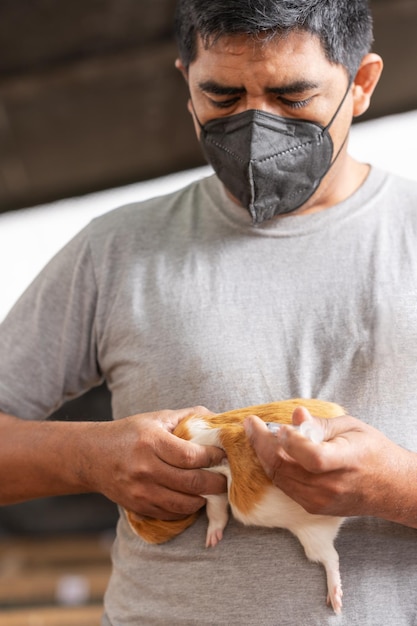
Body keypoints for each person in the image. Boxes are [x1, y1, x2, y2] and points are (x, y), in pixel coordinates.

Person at [0, 0, 416, 623]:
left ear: (361, 83)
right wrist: (90, 457)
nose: (257, 127)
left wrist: (400, 489)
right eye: (222, 98)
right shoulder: (115, 249)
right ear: (185, 85)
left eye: (293, 95)